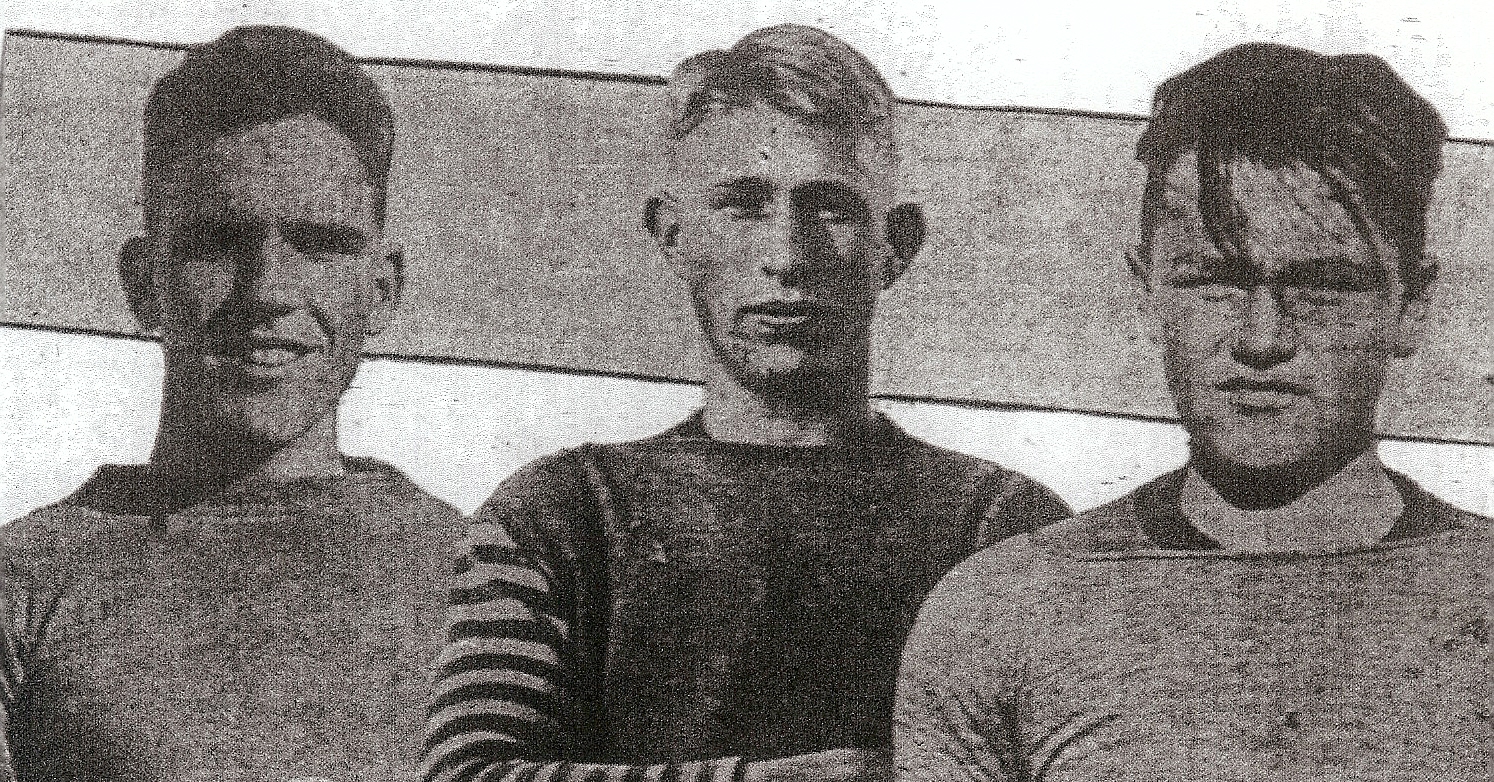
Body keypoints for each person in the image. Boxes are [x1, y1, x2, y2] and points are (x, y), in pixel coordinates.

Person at [420, 24, 1071, 782]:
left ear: (896, 244)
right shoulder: (560, 514)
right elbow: (467, 776)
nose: (787, 255)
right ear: (672, 234)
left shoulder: (1010, 530)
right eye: (743, 204)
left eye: (830, 207)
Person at [894, 42, 1487, 781]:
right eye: (1216, 280)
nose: (1263, 340)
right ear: (1148, 292)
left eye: (1325, 287)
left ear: (1413, 305)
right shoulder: (998, 615)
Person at [0, 26, 462, 781]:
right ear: (144, 281)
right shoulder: (23, 585)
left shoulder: (494, 585)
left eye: (318, 244)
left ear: (383, 289)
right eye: (218, 242)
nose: (269, 291)